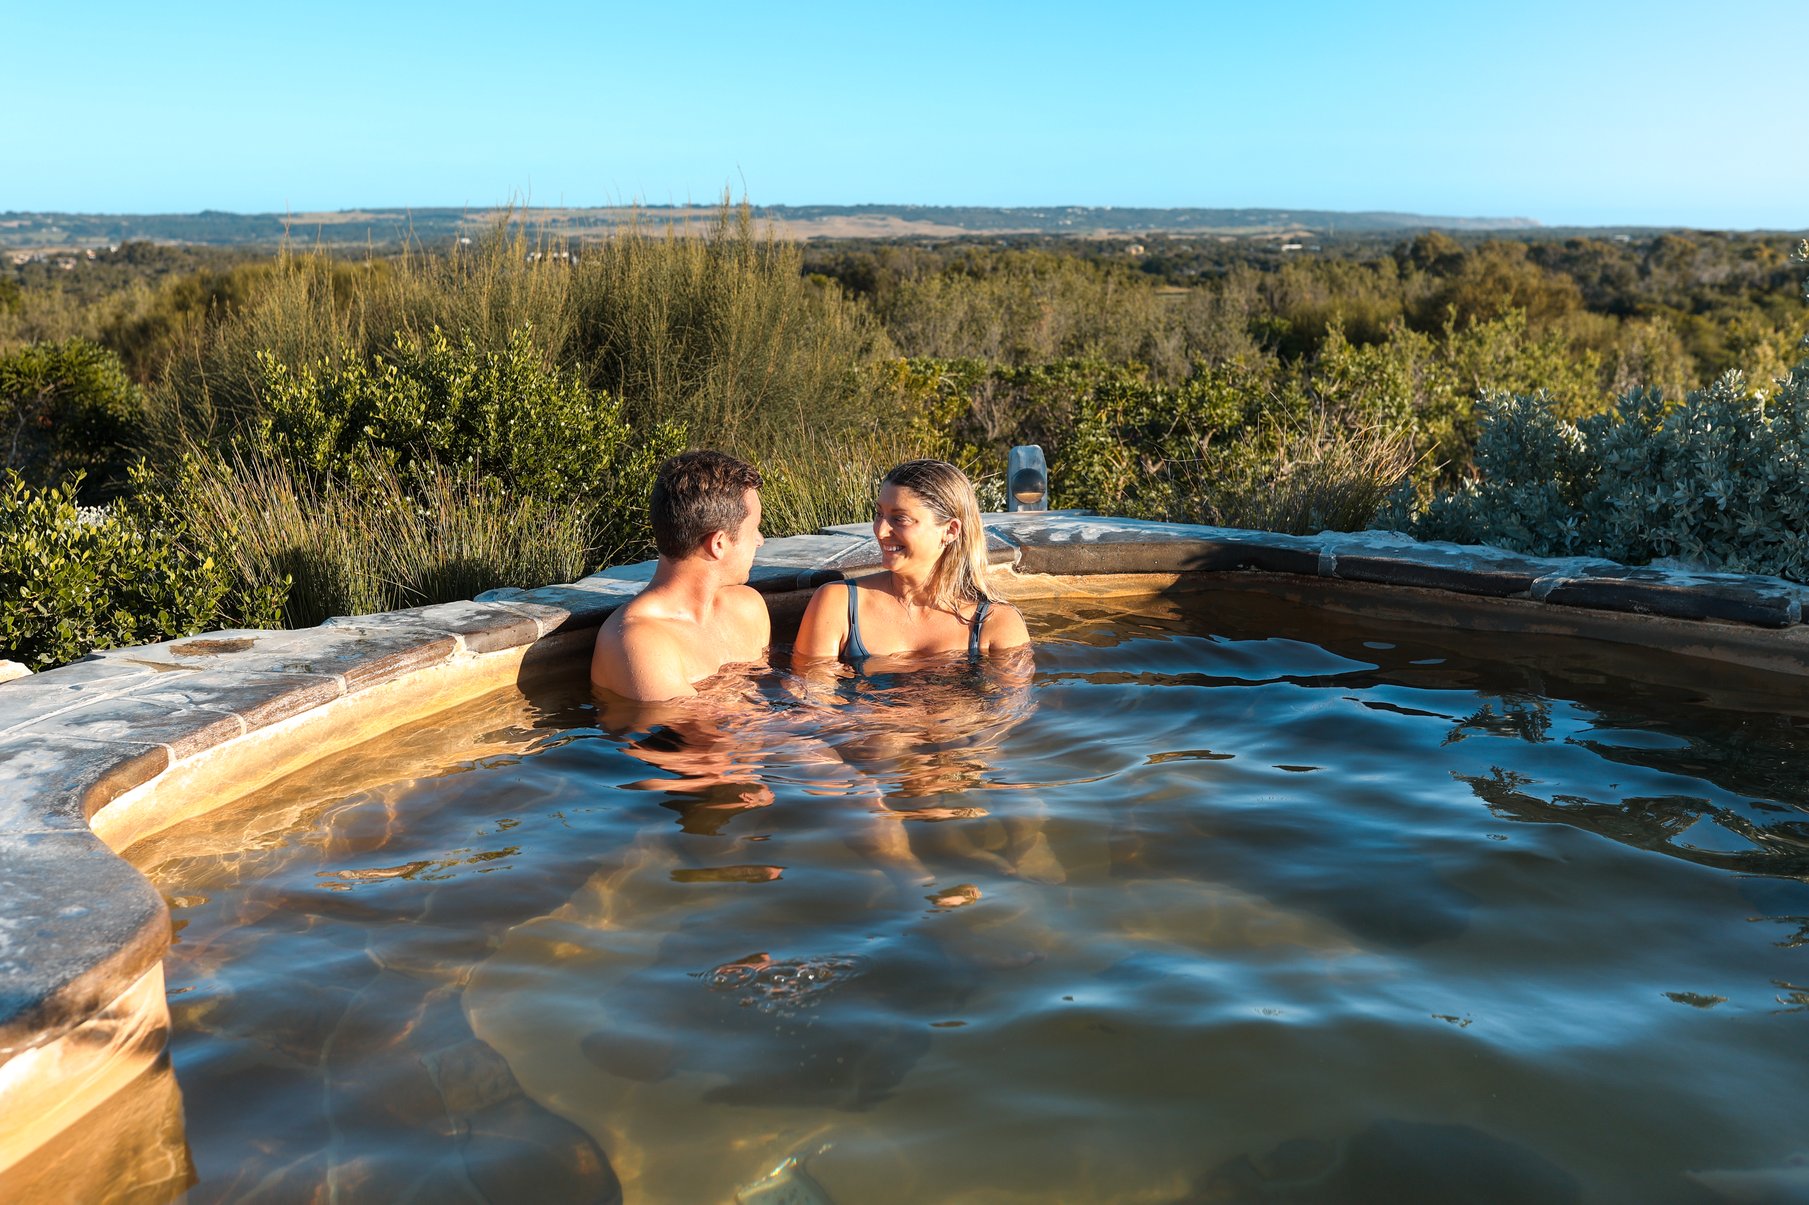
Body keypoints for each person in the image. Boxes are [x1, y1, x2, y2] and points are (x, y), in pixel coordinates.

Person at [793, 459, 1030, 666]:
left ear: (950, 530)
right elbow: (813, 705)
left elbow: (1010, 713)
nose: (880, 530)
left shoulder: (997, 623)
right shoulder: (838, 603)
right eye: (879, 514)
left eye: (899, 519)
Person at [591, 450, 769, 702]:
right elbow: (704, 738)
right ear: (718, 544)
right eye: (754, 530)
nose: (760, 541)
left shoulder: (748, 609)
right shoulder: (637, 642)